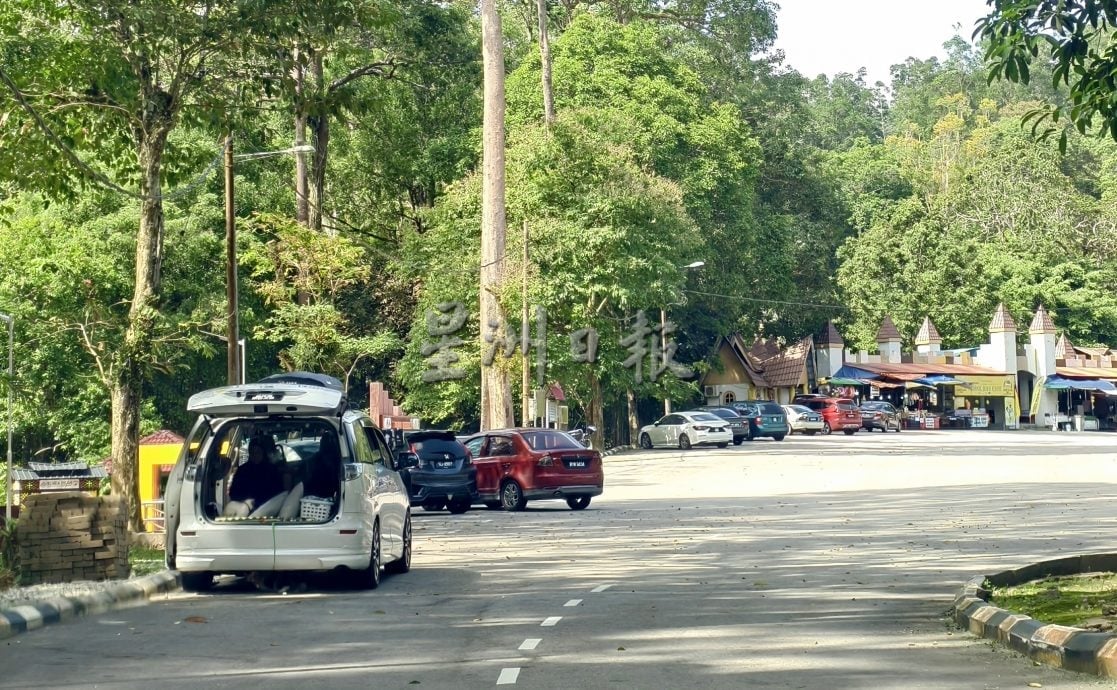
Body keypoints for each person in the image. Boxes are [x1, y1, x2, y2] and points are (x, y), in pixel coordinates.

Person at [228, 435, 285, 509]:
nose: (255, 455)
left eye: (258, 452)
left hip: (269, 508)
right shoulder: (242, 470)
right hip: (246, 508)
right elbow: (234, 493)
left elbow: (278, 494)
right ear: (249, 453)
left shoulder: (272, 470)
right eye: (252, 452)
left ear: (263, 453)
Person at [304, 431, 342, 499]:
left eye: (332, 439)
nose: (330, 441)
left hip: (329, 491)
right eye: (327, 439)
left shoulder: (339, 459)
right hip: (316, 492)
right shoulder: (314, 459)